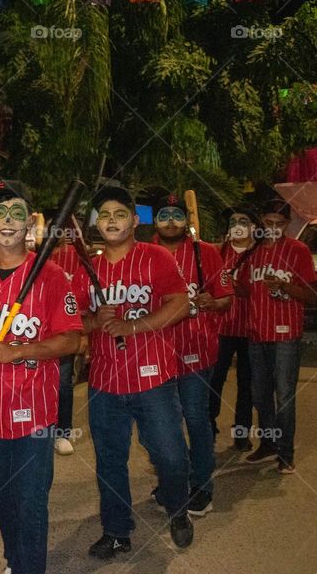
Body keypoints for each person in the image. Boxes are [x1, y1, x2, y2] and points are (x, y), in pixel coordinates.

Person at [0, 181, 82, 574]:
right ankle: (16, 558)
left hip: (34, 413)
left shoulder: (53, 276)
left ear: (30, 223)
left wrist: (19, 350)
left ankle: (28, 567)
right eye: (0, 214)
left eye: (17, 213)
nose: (8, 222)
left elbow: (72, 339)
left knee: (30, 500)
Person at [71, 186, 194, 558]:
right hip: (106, 382)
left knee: (170, 456)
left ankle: (177, 509)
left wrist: (131, 327)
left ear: (134, 221)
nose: (111, 219)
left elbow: (181, 306)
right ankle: (116, 531)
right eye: (104, 214)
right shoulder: (85, 267)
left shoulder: (155, 257)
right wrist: (94, 320)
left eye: (119, 213)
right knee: (110, 460)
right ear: (96, 222)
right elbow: (71, 321)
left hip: (153, 379)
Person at [151, 192, 232, 517]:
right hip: (153, 355)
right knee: (160, 427)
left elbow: (225, 295)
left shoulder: (206, 253)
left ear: (186, 219)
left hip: (195, 351)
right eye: (164, 215)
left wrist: (215, 302)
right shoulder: (144, 253)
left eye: (177, 214)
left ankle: (201, 487)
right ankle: (173, 481)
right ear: (154, 220)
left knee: (197, 420)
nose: (171, 221)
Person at [237, 198, 317, 473]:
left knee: (284, 395)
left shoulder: (298, 250)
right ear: (261, 221)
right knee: (259, 394)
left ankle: (285, 452)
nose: (272, 228)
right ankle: (269, 443)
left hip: (285, 334)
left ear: (287, 224)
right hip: (256, 333)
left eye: (279, 224)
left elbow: (311, 294)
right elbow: (246, 289)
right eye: (268, 222)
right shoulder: (254, 251)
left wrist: (286, 286)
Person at [209, 206, 259, 452]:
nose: (237, 224)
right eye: (233, 221)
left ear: (253, 226)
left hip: (251, 328)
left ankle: (242, 433)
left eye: (243, 220)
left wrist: (241, 289)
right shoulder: (217, 252)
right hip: (222, 328)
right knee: (214, 380)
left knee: (246, 383)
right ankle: (209, 429)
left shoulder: (261, 253)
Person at [47, 212, 82, 456]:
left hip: (65, 329)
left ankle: (62, 432)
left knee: (62, 383)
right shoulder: (36, 257)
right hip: (36, 331)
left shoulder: (76, 256)